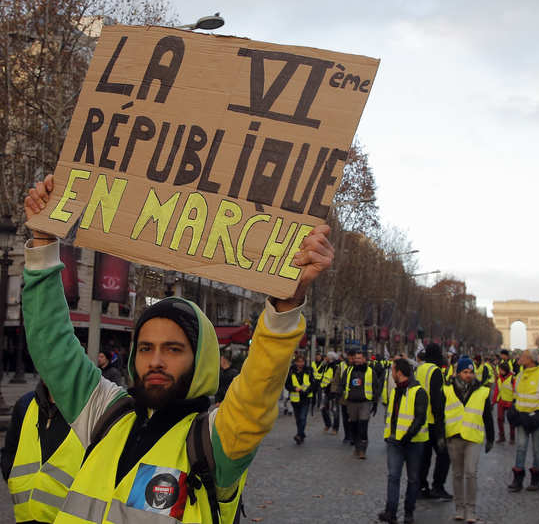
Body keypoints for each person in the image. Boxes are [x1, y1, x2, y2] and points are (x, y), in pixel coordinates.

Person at [21, 175, 333, 524]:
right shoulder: (106, 412)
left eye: (173, 349)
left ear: (201, 361)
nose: (154, 361)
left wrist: (285, 305)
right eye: (145, 348)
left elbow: (257, 393)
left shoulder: (215, 441)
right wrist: (43, 243)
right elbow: (52, 343)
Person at [2, 381, 85, 523]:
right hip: (26, 515)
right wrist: (12, 478)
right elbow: (10, 449)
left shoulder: (88, 408)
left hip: (67, 516)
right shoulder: (25, 404)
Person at [377, 358, 428, 524]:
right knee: (393, 476)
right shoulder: (395, 391)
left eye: (392, 370)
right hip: (394, 442)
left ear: (399, 372)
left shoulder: (419, 392)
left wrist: (406, 437)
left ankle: (408, 512)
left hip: (413, 442)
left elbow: (420, 418)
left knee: (413, 479)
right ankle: (390, 512)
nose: (391, 373)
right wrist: (389, 435)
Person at [444, 357, 494, 522]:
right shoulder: (447, 390)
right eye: (465, 372)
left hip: (473, 437)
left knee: (471, 473)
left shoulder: (482, 391)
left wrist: (491, 437)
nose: (469, 375)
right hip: (454, 436)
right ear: (458, 373)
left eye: (471, 372)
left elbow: (487, 416)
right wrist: (439, 436)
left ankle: (471, 509)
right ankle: (459, 508)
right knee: (457, 474)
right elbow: (439, 414)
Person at [507, 349, 539, 493]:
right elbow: (516, 395)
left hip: (537, 419)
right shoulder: (519, 375)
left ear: (530, 359)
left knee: (537, 450)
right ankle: (517, 480)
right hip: (522, 418)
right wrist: (514, 410)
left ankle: (535, 480)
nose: (519, 358)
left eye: (522, 356)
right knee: (520, 448)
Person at [416, 343, 451, 500]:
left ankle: (421, 487)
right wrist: (440, 425)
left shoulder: (419, 369)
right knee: (444, 455)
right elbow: (437, 399)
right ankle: (438, 486)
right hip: (432, 421)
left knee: (424, 458)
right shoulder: (436, 371)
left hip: (420, 420)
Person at [342, 350, 380, 458]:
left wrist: (375, 403)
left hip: (365, 402)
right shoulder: (348, 370)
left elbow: (376, 388)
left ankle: (363, 449)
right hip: (351, 402)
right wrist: (339, 395)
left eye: (359, 358)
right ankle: (357, 447)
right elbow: (342, 384)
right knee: (353, 426)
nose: (357, 360)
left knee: (363, 426)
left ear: (364, 359)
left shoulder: (370, 372)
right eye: (355, 358)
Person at [285, 355, 316, 444]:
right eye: (298, 362)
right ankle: (301, 434)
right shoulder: (291, 371)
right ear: (295, 362)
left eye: (302, 362)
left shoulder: (309, 370)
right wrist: (294, 388)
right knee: (298, 418)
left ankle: (299, 435)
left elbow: (313, 384)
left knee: (302, 417)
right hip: (295, 399)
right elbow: (287, 385)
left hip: (305, 398)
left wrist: (306, 390)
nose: (300, 364)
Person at [493, 363, 516, 444]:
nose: (499, 371)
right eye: (499, 369)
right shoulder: (499, 378)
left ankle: (512, 438)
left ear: (505, 370)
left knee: (511, 420)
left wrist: (514, 401)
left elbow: (515, 390)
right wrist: (494, 401)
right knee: (499, 419)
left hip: (510, 402)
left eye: (501, 370)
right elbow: (497, 389)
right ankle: (502, 436)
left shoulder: (512, 378)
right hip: (501, 401)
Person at [320, 352, 340, 435]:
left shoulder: (336, 367)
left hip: (333, 391)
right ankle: (328, 424)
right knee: (323, 408)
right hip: (326, 390)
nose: (325, 358)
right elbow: (320, 373)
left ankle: (335, 428)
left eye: (327, 357)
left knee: (334, 410)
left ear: (330, 358)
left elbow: (336, 379)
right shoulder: (326, 365)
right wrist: (323, 364)